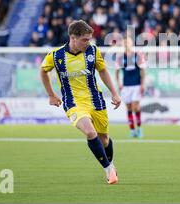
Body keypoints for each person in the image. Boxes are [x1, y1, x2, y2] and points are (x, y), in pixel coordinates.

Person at [40, 20, 121, 184]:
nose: (88, 42)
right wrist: (51, 94)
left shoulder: (93, 51)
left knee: (104, 139)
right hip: (73, 103)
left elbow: (103, 71)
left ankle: (110, 165)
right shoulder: (56, 56)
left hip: (95, 101)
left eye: (89, 39)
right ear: (73, 38)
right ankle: (108, 170)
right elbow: (43, 71)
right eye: (85, 39)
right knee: (90, 132)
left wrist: (114, 93)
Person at [115, 36, 146, 138]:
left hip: (136, 85)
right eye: (124, 43)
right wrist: (119, 83)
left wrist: (142, 84)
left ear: (131, 44)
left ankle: (140, 128)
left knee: (135, 107)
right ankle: (132, 130)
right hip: (126, 86)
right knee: (128, 108)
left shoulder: (137, 56)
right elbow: (117, 72)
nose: (126, 44)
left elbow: (142, 71)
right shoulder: (120, 57)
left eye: (128, 43)